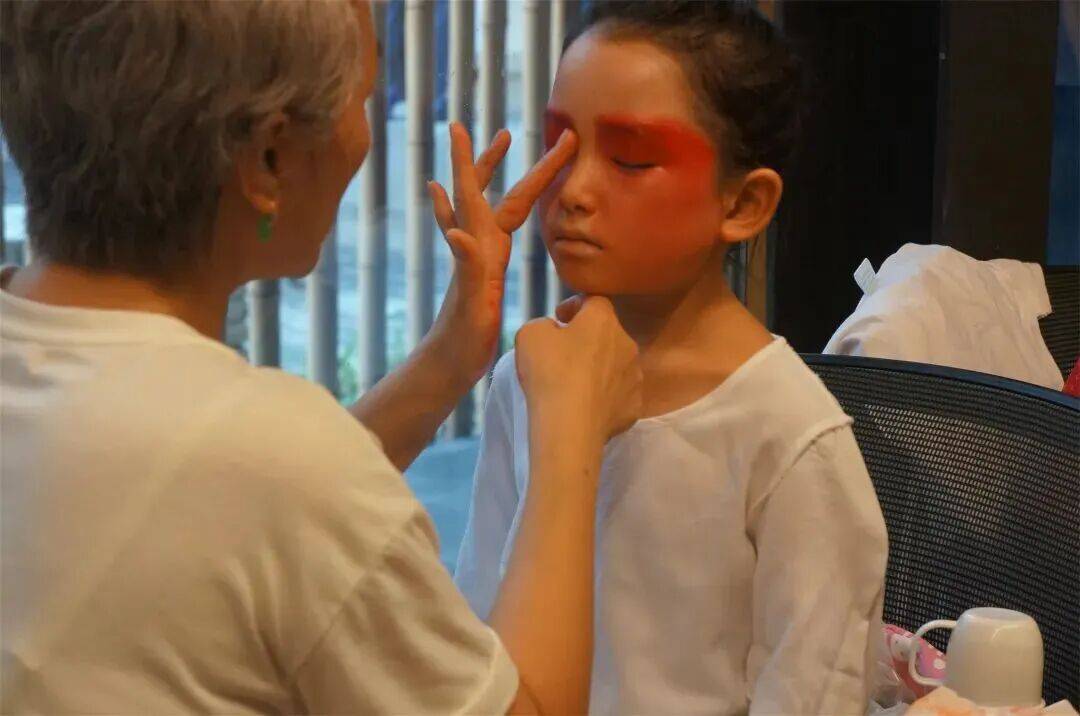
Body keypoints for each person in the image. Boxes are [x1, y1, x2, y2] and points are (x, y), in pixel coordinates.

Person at [0, 1, 642, 713]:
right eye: (362, 98)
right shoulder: (279, 464)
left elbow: (219, 497)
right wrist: (568, 433)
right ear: (270, 159)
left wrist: (450, 357)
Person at [455, 2, 889, 713]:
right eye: (558, 148)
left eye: (629, 160)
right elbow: (479, 644)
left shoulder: (788, 437)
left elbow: (814, 691)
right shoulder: (529, 377)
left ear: (743, 204)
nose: (574, 192)